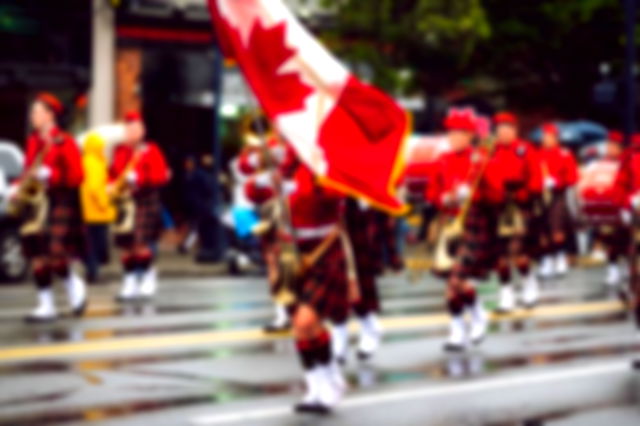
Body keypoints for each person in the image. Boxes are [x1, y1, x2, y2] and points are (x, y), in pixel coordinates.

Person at [245, 152, 349, 414]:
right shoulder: (283, 160)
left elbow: (337, 196)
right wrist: (260, 182)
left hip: (321, 251)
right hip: (288, 251)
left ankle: (331, 378)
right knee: (300, 327)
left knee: (307, 319)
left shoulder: (324, 160)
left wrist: (303, 187)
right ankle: (316, 386)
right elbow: (255, 196)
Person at [11, 93, 87, 322]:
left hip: (58, 201)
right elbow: (28, 171)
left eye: (36, 111)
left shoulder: (65, 141)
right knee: (36, 255)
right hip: (36, 203)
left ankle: (73, 284)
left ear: (49, 115)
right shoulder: (33, 141)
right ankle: (46, 305)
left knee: (55, 255)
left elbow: (77, 176)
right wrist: (16, 187)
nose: (32, 115)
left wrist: (51, 174)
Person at [430, 109, 501, 351]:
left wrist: (475, 192)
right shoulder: (443, 160)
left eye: (458, 132)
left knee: (456, 280)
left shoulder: (480, 159)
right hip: (450, 225)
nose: (453, 136)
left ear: (470, 135)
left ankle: (466, 322)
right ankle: (466, 321)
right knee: (452, 283)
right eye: (450, 132)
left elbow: (496, 195)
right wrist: (445, 198)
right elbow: (431, 193)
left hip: (473, 222)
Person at [109, 111, 170, 301]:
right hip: (125, 201)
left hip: (145, 199)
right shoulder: (120, 150)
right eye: (128, 128)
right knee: (125, 245)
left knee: (140, 243)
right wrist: (109, 183)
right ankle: (129, 282)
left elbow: (161, 176)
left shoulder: (151, 150)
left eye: (134, 128)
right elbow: (112, 172)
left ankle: (149, 275)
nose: (130, 132)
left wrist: (140, 178)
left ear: (142, 130)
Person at [491, 112, 543, 312]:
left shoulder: (525, 149)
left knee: (517, 251)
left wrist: (524, 193)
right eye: (499, 128)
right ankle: (506, 294)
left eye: (506, 127)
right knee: (499, 255)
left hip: (520, 205)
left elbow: (536, 178)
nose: (502, 131)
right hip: (496, 206)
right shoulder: (490, 150)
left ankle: (529, 282)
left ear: (514, 129)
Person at [578, 130, 626, 287]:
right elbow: (588, 182)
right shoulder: (599, 164)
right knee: (609, 239)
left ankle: (628, 268)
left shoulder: (627, 161)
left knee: (627, 240)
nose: (610, 149)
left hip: (625, 206)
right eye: (608, 145)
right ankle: (613, 269)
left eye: (614, 146)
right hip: (607, 208)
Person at [537, 123, 579, 279]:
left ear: (556, 138)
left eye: (549, 136)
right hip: (541, 195)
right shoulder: (538, 154)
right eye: (544, 136)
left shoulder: (564, 154)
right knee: (543, 229)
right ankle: (547, 259)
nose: (546, 139)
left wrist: (557, 181)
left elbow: (573, 176)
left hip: (557, 194)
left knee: (557, 228)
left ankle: (560, 257)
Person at [81, 132, 115, 283]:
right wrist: (104, 203)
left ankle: (91, 272)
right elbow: (95, 187)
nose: (104, 150)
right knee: (97, 244)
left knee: (90, 244)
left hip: (87, 210)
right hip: (96, 211)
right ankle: (93, 273)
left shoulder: (85, 160)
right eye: (101, 147)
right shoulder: (95, 163)